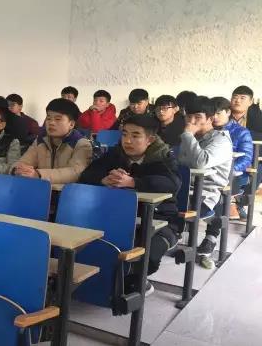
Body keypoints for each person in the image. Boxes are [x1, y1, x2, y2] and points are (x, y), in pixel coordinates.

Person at [79, 115, 181, 295]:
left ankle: (136, 281)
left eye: (135, 136)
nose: (127, 140)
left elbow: (173, 184)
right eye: (124, 134)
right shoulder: (116, 154)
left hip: (161, 220)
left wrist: (133, 182)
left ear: (150, 139)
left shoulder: (162, 157)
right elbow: (87, 175)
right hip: (119, 217)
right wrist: (103, 179)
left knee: (148, 252)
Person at [177, 97, 233, 269]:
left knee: (169, 212)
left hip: (205, 193)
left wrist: (187, 135)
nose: (191, 122)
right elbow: (180, 162)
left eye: (197, 117)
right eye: (188, 117)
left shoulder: (221, 140)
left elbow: (201, 162)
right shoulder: (192, 137)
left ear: (210, 118)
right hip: (182, 187)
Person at [12, 98, 92, 184]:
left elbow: (75, 173)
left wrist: (38, 174)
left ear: (71, 124)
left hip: (66, 191)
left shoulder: (81, 144)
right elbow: (24, 162)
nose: (51, 123)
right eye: (48, 118)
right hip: (41, 188)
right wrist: (17, 170)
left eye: (58, 119)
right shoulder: (40, 140)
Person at [211, 96, 253, 220]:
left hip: (234, 173)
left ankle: (214, 228)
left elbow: (246, 159)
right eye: (212, 114)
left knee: (217, 188)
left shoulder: (241, 132)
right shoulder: (206, 130)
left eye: (218, 113)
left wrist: (227, 169)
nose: (214, 117)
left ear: (228, 112)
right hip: (210, 172)